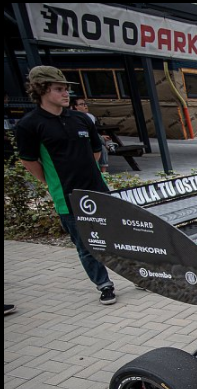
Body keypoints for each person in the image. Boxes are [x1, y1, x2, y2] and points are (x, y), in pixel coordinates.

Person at [15, 66, 116, 305]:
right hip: (67, 195)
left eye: (66, 89)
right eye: (59, 89)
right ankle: (104, 284)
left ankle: (138, 275)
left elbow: (95, 150)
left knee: (116, 235)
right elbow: (29, 160)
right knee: (85, 244)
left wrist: (88, 174)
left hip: (97, 190)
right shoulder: (29, 125)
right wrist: (50, 182)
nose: (65, 94)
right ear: (42, 90)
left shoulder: (80, 119)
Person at [70, 97, 108, 172]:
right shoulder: (72, 118)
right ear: (75, 107)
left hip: (91, 139)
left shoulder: (90, 116)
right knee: (101, 145)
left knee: (102, 148)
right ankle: (107, 144)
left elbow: (93, 132)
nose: (85, 106)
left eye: (85, 104)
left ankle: (104, 172)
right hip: (81, 140)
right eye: (81, 104)